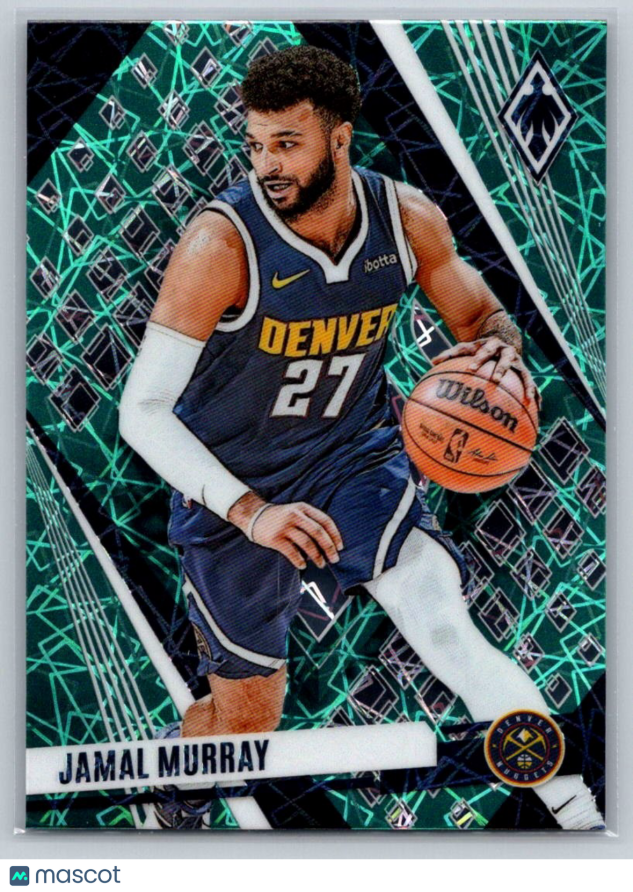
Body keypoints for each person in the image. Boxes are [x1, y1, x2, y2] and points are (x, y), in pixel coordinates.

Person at [119, 45, 603, 829]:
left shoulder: (406, 219)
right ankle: (177, 792)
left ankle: (576, 812)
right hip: (234, 492)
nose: (267, 165)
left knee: (441, 622)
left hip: (353, 460)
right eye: (256, 145)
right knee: (246, 726)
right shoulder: (220, 246)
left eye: (286, 144)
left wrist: (497, 348)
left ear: (338, 139)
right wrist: (252, 513)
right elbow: (140, 411)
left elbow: (483, 316)